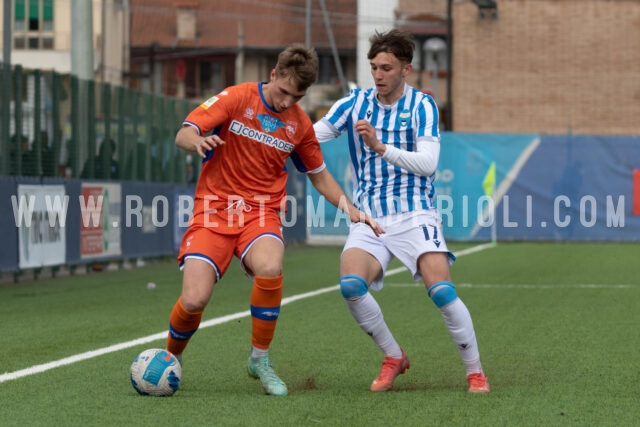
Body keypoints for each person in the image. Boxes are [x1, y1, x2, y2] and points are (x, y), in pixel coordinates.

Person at [166, 43, 382, 396]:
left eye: (295, 97)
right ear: (273, 75)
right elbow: (184, 132)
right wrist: (197, 141)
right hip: (214, 210)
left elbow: (320, 175)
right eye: (283, 92)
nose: (285, 102)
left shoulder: (300, 124)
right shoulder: (235, 98)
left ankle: (260, 359)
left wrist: (351, 209)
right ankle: (169, 360)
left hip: (261, 211)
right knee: (194, 300)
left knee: (270, 266)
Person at [313, 29, 490, 393]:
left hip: (415, 213)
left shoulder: (422, 105)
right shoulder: (353, 104)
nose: (378, 75)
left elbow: (428, 163)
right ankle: (393, 355)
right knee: (350, 285)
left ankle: (475, 372)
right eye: (374, 67)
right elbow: (310, 137)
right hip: (370, 215)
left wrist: (379, 146)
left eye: (387, 68)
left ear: (406, 70)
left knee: (441, 291)